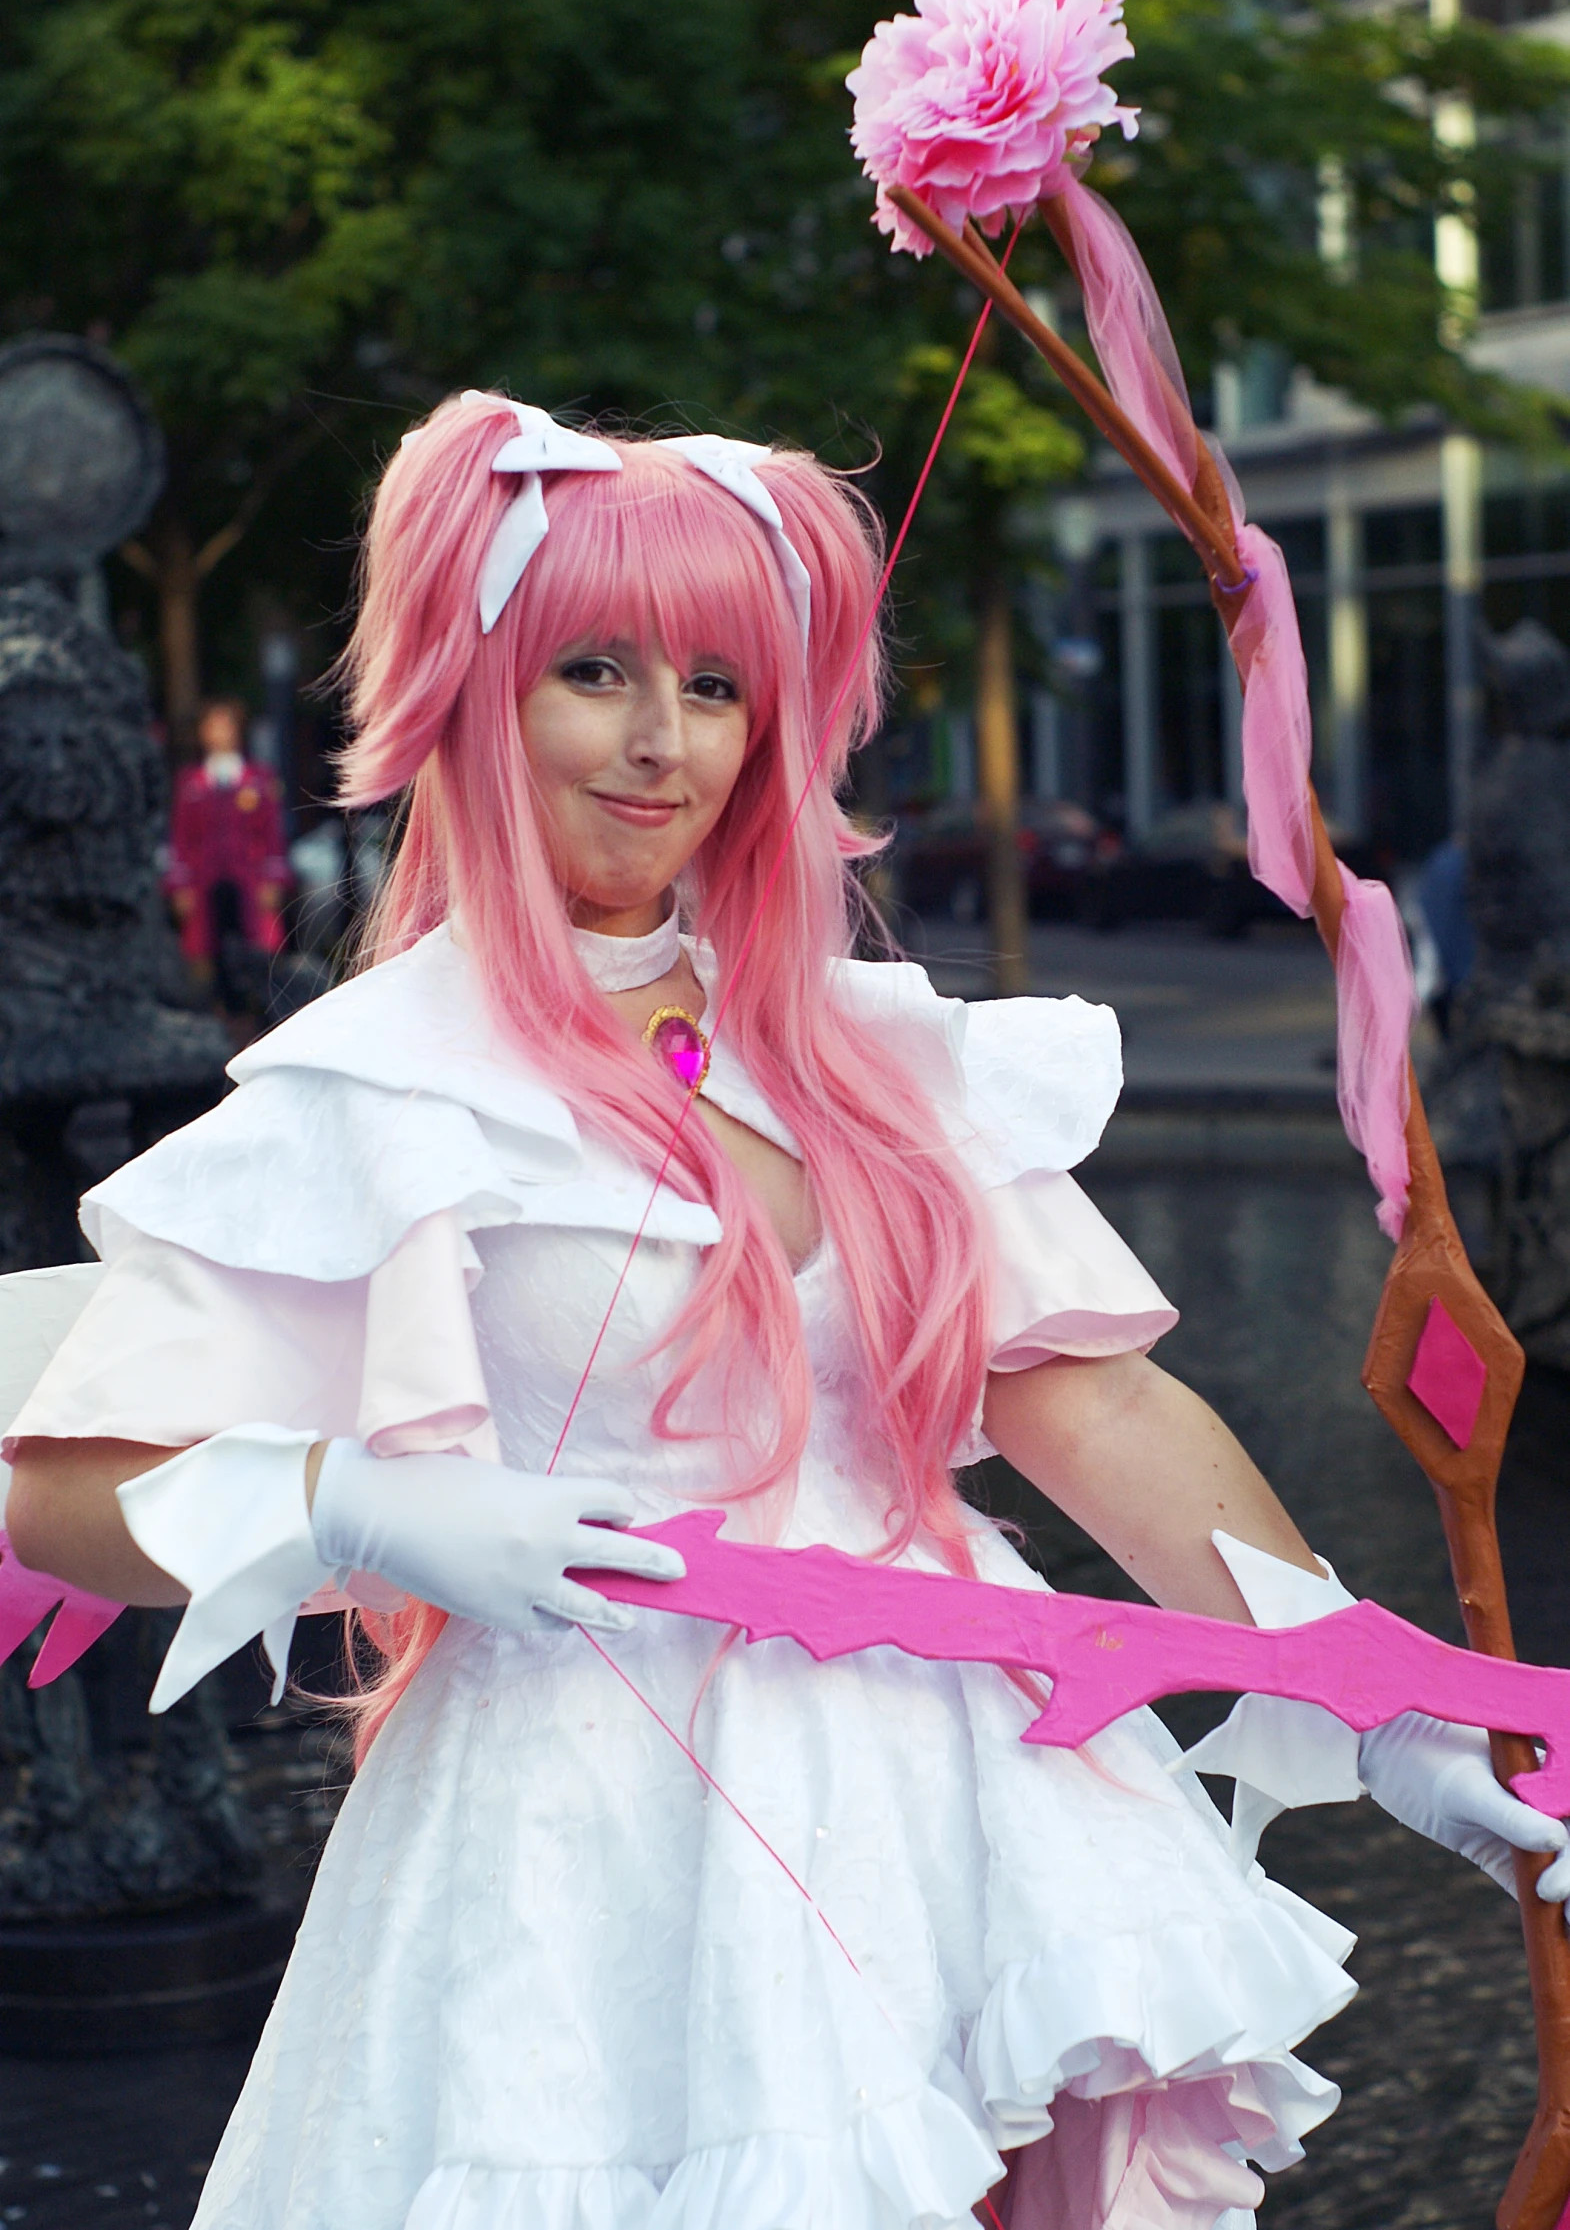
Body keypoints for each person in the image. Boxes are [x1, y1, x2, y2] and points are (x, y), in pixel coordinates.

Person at [7, 396, 1569, 2230]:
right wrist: (353, 1506)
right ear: (478, 690)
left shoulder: (861, 1050)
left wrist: (1366, 1691)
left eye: (722, 686)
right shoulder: (376, 1083)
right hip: (588, 1837)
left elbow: (1096, 1407)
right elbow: (53, 1490)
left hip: (960, 1770)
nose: (662, 744)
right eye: (595, 670)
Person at [165, 696, 291, 1008]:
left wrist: (273, 878)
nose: (220, 733)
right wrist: (179, 885)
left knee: (257, 946)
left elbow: (272, 833)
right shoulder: (191, 783)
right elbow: (181, 836)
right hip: (204, 880)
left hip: (249, 878)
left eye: (226, 725)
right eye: (213, 726)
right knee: (209, 953)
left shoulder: (259, 779)